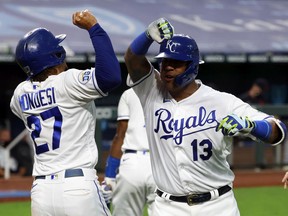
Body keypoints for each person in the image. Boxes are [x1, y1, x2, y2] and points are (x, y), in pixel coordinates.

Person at [124, 18, 287, 216]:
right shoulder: (151, 90)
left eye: (176, 63)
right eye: (165, 61)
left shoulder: (221, 101)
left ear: (192, 66)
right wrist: (147, 36)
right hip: (166, 207)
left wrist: (250, 126)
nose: (167, 67)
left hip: (217, 206)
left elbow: (278, 130)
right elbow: (133, 61)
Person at [10, 9, 121, 216]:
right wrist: (94, 28)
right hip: (77, 186)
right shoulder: (68, 81)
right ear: (56, 56)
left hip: (41, 193)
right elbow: (111, 76)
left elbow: (34, 81)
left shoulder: (19, 93)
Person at [102, 88, 156, 216]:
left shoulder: (129, 93)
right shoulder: (173, 91)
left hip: (132, 162)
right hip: (161, 162)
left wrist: (109, 175)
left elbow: (120, 134)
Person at [238, 78, 270, 170]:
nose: (258, 90)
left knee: (262, 136)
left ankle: (260, 163)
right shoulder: (243, 98)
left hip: (255, 127)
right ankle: (230, 163)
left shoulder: (262, 99)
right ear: (254, 86)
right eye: (258, 87)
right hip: (241, 127)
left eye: (261, 89)